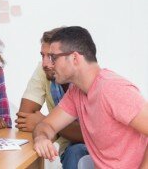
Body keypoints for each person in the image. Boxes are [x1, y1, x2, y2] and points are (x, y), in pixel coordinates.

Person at [32, 26, 148, 168]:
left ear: (74, 58)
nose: (48, 64)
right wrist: (41, 138)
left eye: (53, 58)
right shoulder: (76, 92)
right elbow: (47, 125)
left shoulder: (113, 89)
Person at [15, 28, 88, 169]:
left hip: (95, 150)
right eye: (43, 56)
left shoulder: (87, 79)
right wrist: (47, 128)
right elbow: (25, 118)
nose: (45, 64)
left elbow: (89, 134)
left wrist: (46, 123)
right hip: (67, 148)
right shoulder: (45, 70)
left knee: (76, 151)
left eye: (52, 57)